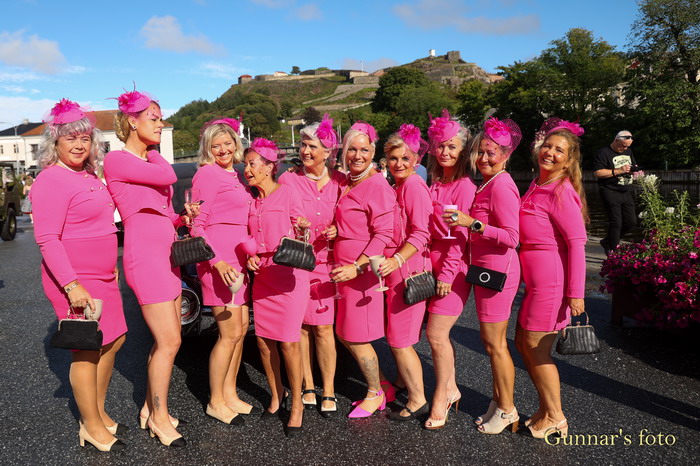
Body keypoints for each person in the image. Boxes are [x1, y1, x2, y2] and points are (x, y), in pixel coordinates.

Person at [32, 99, 127, 451]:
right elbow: (47, 238)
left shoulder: (88, 175)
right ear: (55, 141)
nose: (78, 145)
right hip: (74, 279)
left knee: (114, 341)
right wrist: (72, 286)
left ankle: (96, 412)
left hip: (103, 276)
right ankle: (91, 426)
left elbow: (102, 225)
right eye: (70, 138)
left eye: (85, 138)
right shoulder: (50, 179)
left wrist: (111, 266)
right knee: (87, 351)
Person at [104, 88, 189, 448]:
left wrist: (183, 218)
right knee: (169, 341)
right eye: (153, 118)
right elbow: (168, 176)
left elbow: (165, 213)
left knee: (168, 339)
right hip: (145, 258)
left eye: (160, 117)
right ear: (132, 121)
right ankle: (158, 417)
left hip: (167, 256)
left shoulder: (148, 163)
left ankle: (149, 408)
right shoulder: (117, 160)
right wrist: (154, 152)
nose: (160, 124)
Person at [447, 117, 522, 434]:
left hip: (498, 272)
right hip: (486, 271)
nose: (484, 158)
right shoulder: (488, 183)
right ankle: (498, 401)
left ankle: (507, 409)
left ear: (506, 155)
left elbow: (512, 237)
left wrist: (472, 224)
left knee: (495, 344)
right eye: (480, 152)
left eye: (491, 153)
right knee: (490, 342)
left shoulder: (502, 185)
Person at [515, 118, 588, 440]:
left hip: (552, 284)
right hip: (534, 283)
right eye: (548, 146)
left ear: (569, 160)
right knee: (523, 343)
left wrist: (576, 294)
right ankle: (545, 409)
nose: (550, 153)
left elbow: (577, 244)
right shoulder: (537, 184)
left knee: (537, 347)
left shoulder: (561, 190)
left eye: (559, 150)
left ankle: (557, 417)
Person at [192, 117, 258, 424]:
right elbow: (197, 226)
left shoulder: (236, 176)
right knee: (229, 333)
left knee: (240, 330)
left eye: (227, 143)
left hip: (238, 262)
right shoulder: (207, 174)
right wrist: (216, 262)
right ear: (208, 148)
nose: (223, 149)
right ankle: (215, 401)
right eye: (215, 145)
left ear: (236, 143)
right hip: (219, 263)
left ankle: (229, 393)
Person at [244, 138, 310, 437]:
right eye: (245, 164)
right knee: (262, 342)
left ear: (270, 167)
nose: (247, 169)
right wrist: (250, 256)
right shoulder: (252, 200)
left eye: (252, 164)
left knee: (288, 343)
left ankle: (296, 403)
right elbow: (248, 236)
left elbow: (305, 229)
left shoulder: (287, 193)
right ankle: (276, 394)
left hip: (288, 276)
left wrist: (305, 227)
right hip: (264, 277)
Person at [279, 114, 343, 417]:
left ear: (328, 152)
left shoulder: (341, 182)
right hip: (298, 263)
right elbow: (279, 216)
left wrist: (338, 229)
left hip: (327, 264)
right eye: (303, 145)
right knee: (302, 328)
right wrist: (295, 225)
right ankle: (306, 385)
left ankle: (328, 389)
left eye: (312, 146)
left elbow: (352, 219)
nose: (305, 151)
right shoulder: (288, 179)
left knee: (325, 329)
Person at [331, 122, 395, 418]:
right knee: (345, 333)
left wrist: (356, 268)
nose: (358, 155)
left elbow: (384, 234)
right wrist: (337, 229)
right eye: (352, 149)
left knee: (356, 336)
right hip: (344, 269)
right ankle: (383, 384)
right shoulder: (349, 181)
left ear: (373, 152)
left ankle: (375, 393)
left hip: (361, 271)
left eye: (364, 150)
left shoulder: (377, 185)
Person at [423, 109, 476, 429]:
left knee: (436, 334)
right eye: (440, 145)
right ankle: (452, 387)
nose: (445, 151)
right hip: (430, 266)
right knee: (435, 335)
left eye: (452, 146)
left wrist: (445, 274)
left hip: (452, 271)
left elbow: (460, 238)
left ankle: (440, 396)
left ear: (463, 151)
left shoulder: (464, 187)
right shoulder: (435, 183)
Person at [378, 124, 432, 423]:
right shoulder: (398, 185)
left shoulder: (412, 185)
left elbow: (421, 233)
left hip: (407, 271)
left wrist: (397, 259)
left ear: (416, 160)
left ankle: (417, 399)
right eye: (393, 158)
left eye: (405, 158)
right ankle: (402, 380)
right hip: (397, 270)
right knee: (397, 335)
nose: (399, 163)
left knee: (399, 339)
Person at [593, 130, 637, 255]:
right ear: (616, 140)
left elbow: (633, 165)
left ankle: (608, 241)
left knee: (631, 222)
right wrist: (618, 170)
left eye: (627, 146)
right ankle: (613, 250)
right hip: (610, 190)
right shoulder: (603, 153)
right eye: (623, 145)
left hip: (625, 191)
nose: (625, 148)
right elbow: (597, 173)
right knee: (616, 222)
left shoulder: (628, 151)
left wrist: (635, 170)